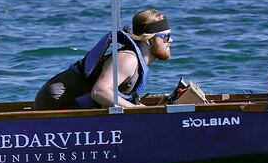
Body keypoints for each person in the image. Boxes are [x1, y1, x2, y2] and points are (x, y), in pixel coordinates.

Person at [34, 9, 173, 110]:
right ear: (148, 40)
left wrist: (152, 109)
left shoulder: (134, 61)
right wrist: (140, 111)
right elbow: (99, 92)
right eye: (166, 37)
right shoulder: (128, 59)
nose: (171, 40)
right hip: (56, 102)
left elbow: (114, 100)